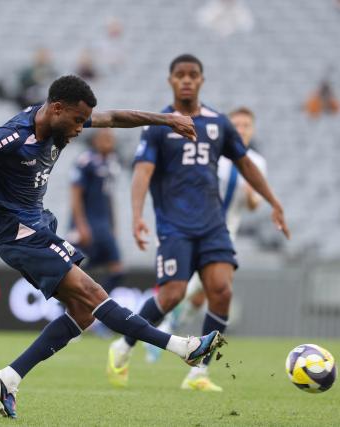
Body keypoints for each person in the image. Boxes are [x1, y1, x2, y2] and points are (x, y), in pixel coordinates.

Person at [0, 75, 225, 419]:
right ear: (56, 109)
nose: (80, 129)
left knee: (84, 311)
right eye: (76, 121)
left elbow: (115, 118)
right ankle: (182, 347)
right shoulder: (9, 138)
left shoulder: (61, 121)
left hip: (38, 224)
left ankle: (8, 378)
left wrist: (166, 120)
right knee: (92, 292)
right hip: (18, 232)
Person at [105, 54, 289, 392]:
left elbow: (246, 164)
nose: (187, 80)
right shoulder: (159, 125)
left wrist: (274, 202)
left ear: (202, 80)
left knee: (221, 292)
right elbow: (142, 172)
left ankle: (199, 372)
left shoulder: (219, 123)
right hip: (174, 226)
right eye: (180, 75)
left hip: (213, 225)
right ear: (171, 81)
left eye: (193, 75)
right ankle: (124, 346)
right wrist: (136, 216)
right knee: (172, 295)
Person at [143, 107, 267, 379]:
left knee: (201, 298)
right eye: (238, 125)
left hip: (225, 236)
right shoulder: (213, 157)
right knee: (188, 292)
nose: (242, 129)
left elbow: (254, 205)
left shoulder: (256, 162)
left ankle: (172, 332)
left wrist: (252, 194)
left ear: (253, 129)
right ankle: (153, 333)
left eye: (247, 124)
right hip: (199, 234)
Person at [69, 128, 124, 297]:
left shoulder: (112, 163)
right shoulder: (86, 161)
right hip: (87, 225)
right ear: (95, 140)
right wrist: (81, 225)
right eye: (105, 137)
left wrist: (113, 225)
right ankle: (65, 306)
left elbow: (109, 198)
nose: (109, 141)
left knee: (118, 271)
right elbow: (75, 193)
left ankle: (93, 305)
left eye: (111, 138)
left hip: (104, 226)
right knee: (74, 270)